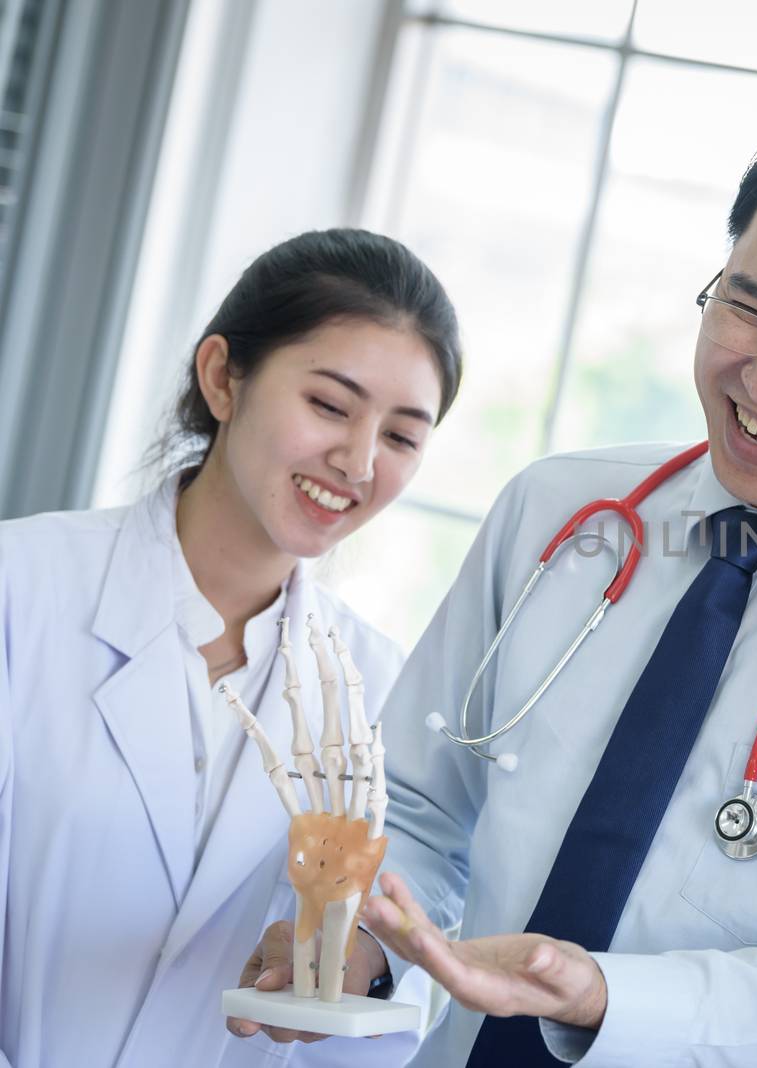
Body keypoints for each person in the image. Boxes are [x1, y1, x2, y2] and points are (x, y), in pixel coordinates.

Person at [235, 111, 757, 1066]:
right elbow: (417, 807)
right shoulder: (559, 513)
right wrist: (362, 945)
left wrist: (603, 1000)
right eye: (747, 308)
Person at [0, 228, 463, 1068]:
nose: (358, 461)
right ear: (223, 377)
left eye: (401, 437)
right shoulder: (19, 591)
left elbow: (371, 1030)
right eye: (329, 405)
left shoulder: (379, 692)